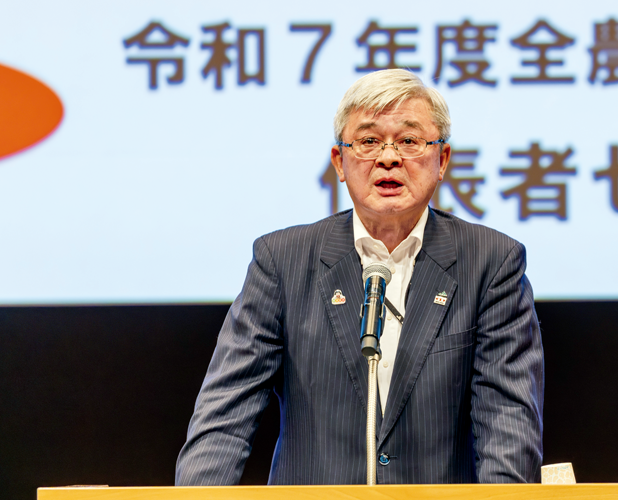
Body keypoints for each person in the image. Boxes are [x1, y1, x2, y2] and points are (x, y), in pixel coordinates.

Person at [175, 69, 544, 485]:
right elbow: (224, 417)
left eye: (409, 141)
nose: (388, 158)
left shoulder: (491, 262)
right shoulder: (282, 261)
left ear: (442, 160)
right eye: (368, 141)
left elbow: (508, 425)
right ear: (340, 162)